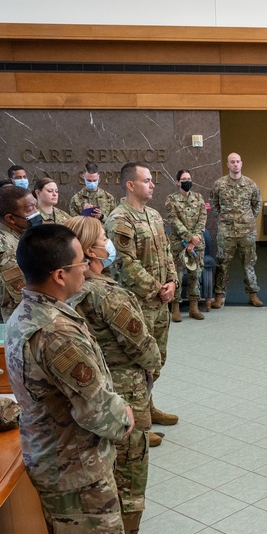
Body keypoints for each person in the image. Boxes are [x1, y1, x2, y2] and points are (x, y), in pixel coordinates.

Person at [4, 224, 161, 534]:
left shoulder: (28, 314)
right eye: (78, 265)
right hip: (75, 469)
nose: (86, 269)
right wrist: (128, 419)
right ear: (57, 274)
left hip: (55, 459)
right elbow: (96, 408)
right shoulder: (56, 333)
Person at [66, 215, 165, 534]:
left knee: (106, 462)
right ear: (91, 249)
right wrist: (154, 362)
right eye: (104, 239)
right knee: (129, 466)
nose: (109, 244)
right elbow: (142, 344)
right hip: (125, 391)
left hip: (95, 390)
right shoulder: (106, 293)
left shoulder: (69, 291)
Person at [104, 162, 180, 427]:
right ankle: (138, 422)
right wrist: (157, 289)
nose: (152, 184)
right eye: (147, 180)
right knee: (138, 364)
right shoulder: (119, 219)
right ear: (130, 185)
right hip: (136, 304)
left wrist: (172, 281)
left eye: (151, 180)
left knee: (157, 358)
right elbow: (124, 264)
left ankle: (148, 406)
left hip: (160, 303)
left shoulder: (154, 215)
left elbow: (167, 252)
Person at [0, 185, 41, 323]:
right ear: (11, 218)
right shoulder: (8, 252)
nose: (36, 212)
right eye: (30, 209)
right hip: (0, 331)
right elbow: (17, 308)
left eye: (36, 206)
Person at [209, 152, 262, 308]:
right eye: (232, 162)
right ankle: (219, 295)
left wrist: (247, 219)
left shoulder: (250, 184)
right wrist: (224, 219)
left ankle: (253, 294)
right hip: (226, 231)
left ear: (241, 163)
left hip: (247, 231)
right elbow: (214, 204)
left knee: (249, 264)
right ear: (228, 164)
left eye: (238, 161)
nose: (235, 164)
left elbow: (256, 204)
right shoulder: (219, 184)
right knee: (223, 264)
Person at [163, 169, 209, 322]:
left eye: (189, 178)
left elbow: (202, 219)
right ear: (178, 182)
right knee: (176, 274)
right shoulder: (171, 199)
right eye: (184, 179)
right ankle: (175, 307)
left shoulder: (199, 198)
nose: (187, 181)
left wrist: (194, 239)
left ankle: (193, 307)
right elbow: (174, 221)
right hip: (178, 244)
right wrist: (189, 238)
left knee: (195, 275)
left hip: (197, 245)